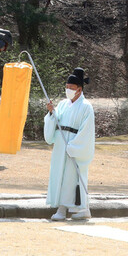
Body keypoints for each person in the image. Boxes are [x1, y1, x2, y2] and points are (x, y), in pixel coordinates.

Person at [44, 67, 95, 221]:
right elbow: (56, 121)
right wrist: (52, 113)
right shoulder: (63, 104)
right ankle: (61, 208)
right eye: (67, 87)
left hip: (74, 145)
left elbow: (86, 131)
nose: (68, 90)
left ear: (79, 89)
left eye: (71, 88)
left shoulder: (86, 107)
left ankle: (81, 208)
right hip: (61, 144)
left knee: (73, 177)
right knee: (60, 175)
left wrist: (74, 147)